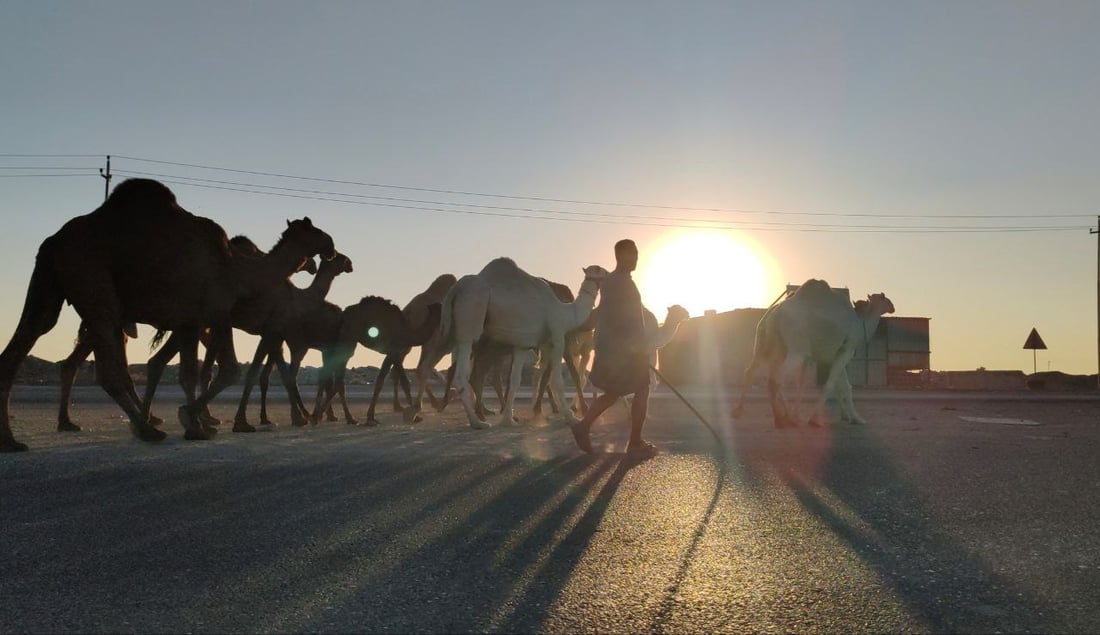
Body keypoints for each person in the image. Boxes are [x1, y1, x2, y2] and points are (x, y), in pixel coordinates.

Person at [571, 239, 656, 455]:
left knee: (614, 393)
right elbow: (624, 320)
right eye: (632, 254)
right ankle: (635, 443)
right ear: (621, 256)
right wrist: (637, 349)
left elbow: (604, 314)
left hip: (617, 350)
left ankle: (583, 427)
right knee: (641, 388)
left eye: (637, 253)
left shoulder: (615, 282)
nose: (636, 258)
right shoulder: (620, 283)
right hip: (624, 352)